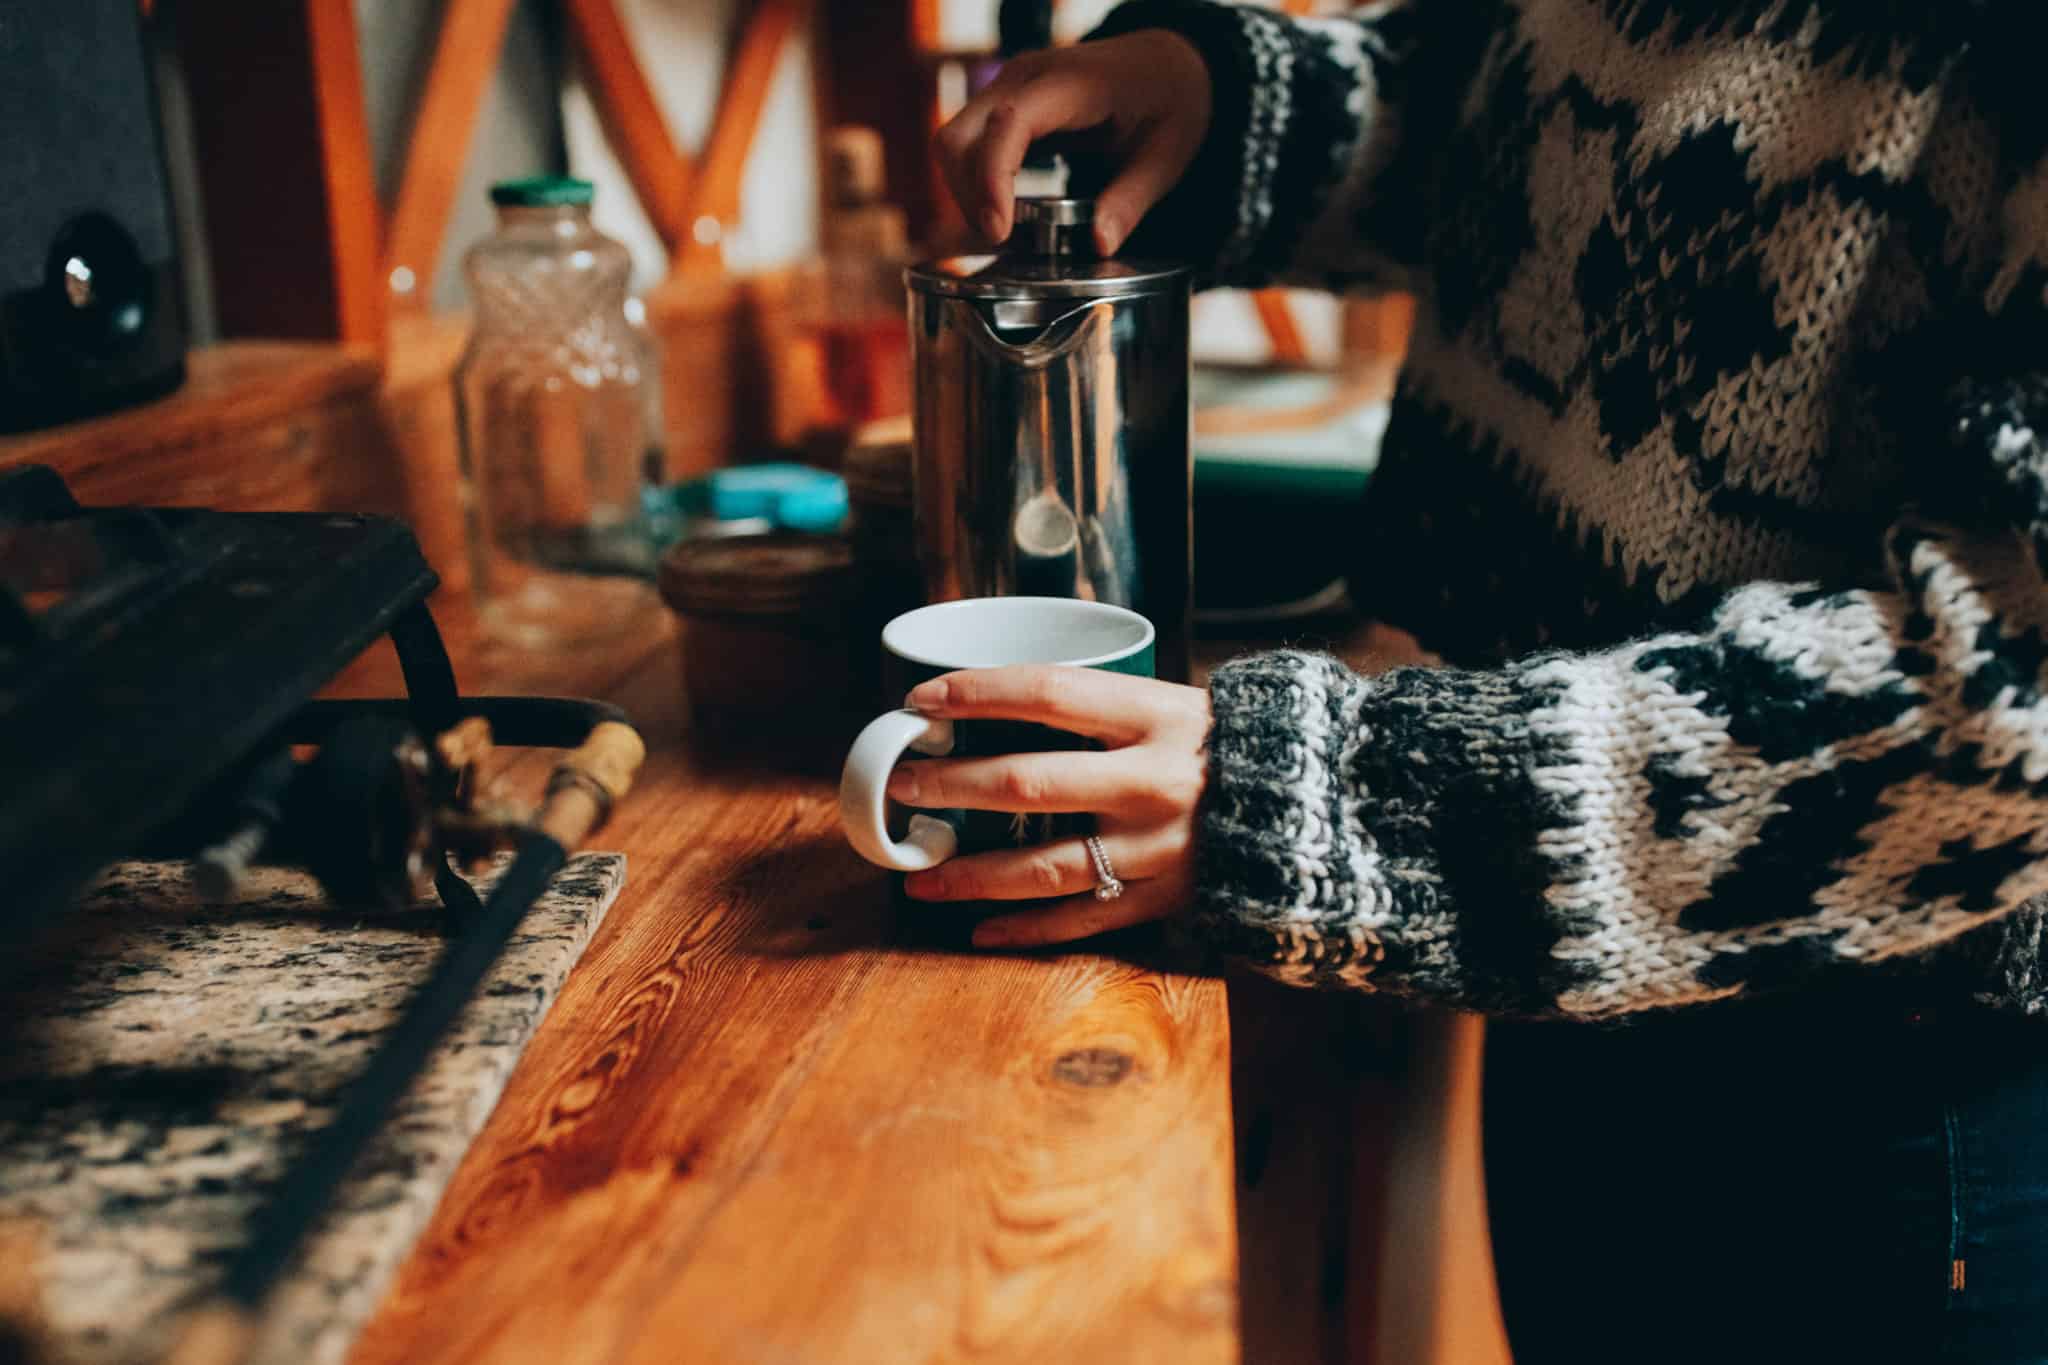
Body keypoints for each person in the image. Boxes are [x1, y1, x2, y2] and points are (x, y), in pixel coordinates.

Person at [892, 2, 2048, 1360]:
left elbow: (2016, 691)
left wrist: (1344, 800)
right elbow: (1539, 103)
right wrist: (1223, 98)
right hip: (1560, 969)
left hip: (1877, 1094)